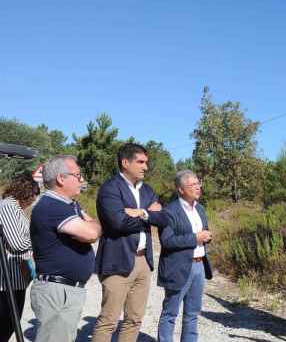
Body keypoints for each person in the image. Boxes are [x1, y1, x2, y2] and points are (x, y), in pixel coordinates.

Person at [92, 143, 166, 342]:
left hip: (143, 262)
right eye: (140, 162)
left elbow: (163, 218)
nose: (145, 167)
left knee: (134, 319)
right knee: (109, 320)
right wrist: (149, 213)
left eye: (146, 162)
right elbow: (118, 223)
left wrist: (139, 212)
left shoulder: (147, 190)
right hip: (117, 261)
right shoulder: (110, 189)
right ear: (125, 162)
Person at [30, 155, 101, 342]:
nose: (81, 180)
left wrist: (89, 223)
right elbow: (91, 234)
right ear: (61, 179)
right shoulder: (52, 206)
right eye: (77, 175)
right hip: (58, 291)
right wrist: (93, 223)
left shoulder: (66, 206)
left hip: (64, 290)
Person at [157, 170, 213, 342]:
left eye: (198, 183)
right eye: (193, 185)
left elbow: (203, 233)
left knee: (193, 313)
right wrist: (195, 238)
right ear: (180, 189)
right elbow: (167, 241)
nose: (198, 187)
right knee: (170, 313)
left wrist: (207, 236)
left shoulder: (200, 209)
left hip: (199, 265)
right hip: (178, 267)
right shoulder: (168, 211)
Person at [0, 173, 39, 342]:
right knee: (6, 324)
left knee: (10, 325)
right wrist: (39, 238)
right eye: (33, 196)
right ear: (26, 192)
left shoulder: (16, 209)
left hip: (17, 279)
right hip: (7, 280)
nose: (33, 201)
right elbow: (16, 243)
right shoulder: (8, 207)